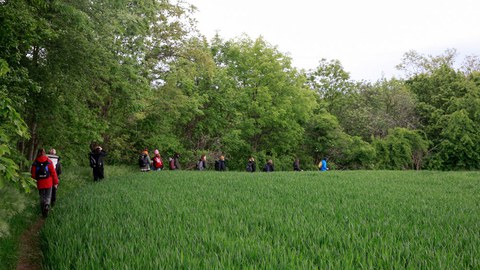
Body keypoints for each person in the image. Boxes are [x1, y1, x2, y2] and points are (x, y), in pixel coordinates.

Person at [31, 148, 58, 218]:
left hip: (40, 182)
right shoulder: (49, 161)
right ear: (44, 153)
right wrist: (56, 182)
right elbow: (53, 173)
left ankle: (43, 211)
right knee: (48, 196)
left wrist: (34, 181)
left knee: (42, 196)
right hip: (49, 182)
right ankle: (47, 205)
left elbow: (33, 174)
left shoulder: (35, 162)